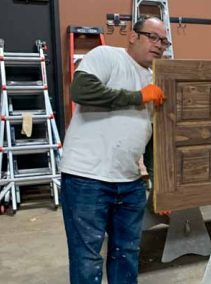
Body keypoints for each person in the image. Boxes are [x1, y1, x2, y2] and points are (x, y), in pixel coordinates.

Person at [59, 16, 167, 284]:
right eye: (152, 37)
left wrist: (158, 184)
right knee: (87, 259)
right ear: (133, 36)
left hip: (130, 182)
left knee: (126, 253)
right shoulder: (107, 56)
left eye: (163, 41)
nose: (158, 45)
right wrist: (138, 96)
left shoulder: (156, 80)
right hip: (87, 179)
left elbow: (151, 136)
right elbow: (82, 91)